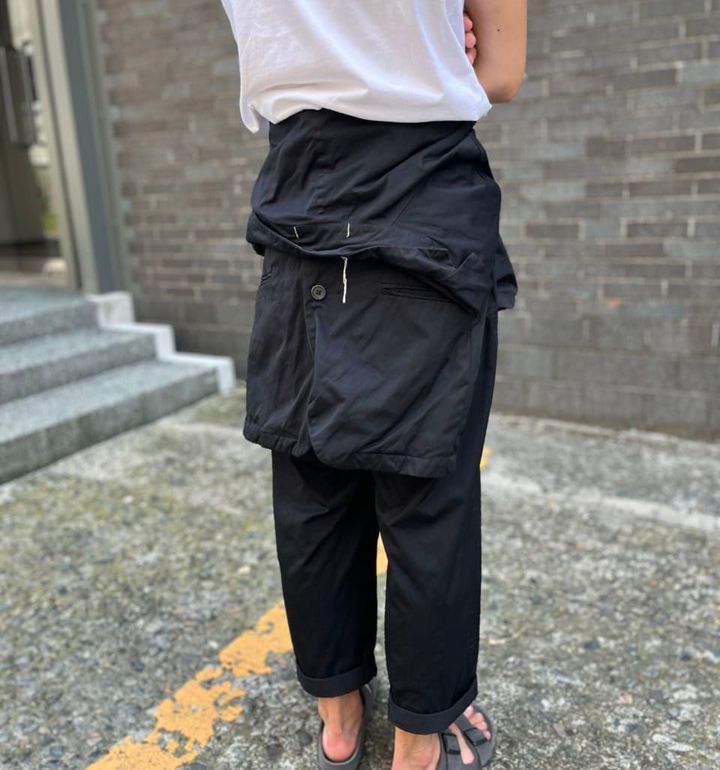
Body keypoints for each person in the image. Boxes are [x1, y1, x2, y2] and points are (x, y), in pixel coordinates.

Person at [219, 1, 527, 768]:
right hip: (423, 196)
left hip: (301, 197)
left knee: (311, 482)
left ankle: (340, 714)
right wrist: (429, 41)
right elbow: (500, 73)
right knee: (430, 499)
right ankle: (420, 736)